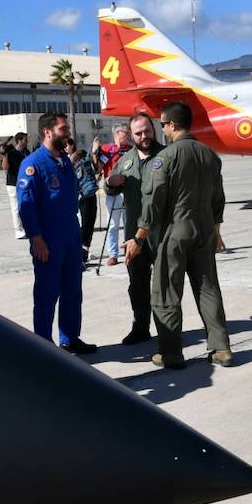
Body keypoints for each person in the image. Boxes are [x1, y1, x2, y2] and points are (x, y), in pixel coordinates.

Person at [124, 102, 232, 369]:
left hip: (175, 232)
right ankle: (221, 348)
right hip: (205, 230)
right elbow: (218, 197)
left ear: (172, 125)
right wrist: (216, 231)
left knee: (165, 291)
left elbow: (154, 200)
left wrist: (139, 237)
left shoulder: (167, 157)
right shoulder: (210, 155)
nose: (162, 129)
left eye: (162, 124)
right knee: (208, 288)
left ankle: (171, 353)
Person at [18, 113, 96, 354]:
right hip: (48, 237)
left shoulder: (64, 161)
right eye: (63, 129)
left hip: (70, 233)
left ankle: (70, 337)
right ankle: (43, 345)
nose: (68, 132)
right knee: (47, 291)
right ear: (47, 132)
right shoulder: (34, 164)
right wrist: (36, 237)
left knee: (73, 288)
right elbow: (26, 204)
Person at [107, 114, 167, 345]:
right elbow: (112, 186)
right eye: (138, 133)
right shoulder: (126, 160)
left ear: (154, 130)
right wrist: (110, 183)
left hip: (161, 234)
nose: (144, 136)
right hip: (133, 235)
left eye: (147, 131)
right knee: (137, 285)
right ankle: (140, 327)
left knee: (163, 286)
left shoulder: (167, 155)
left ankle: (167, 331)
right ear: (131, 135)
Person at [92, 123, 132, 265]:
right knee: (113, 223)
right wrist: (94, 153)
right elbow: (99, 168)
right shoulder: (107, 149)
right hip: (113, 189)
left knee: (129, 222)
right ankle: (113, 253)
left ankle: (129, 248)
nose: (127, 135)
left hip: (128, 190)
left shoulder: (131, 149)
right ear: (117, 133)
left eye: (128, 132)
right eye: (125, 132)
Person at [67, 138, 99, 267]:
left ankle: (84, 252)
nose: (65, 148)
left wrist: (94, 153)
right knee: (84, 225)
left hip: (87, 195)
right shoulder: (68, 162)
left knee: (88, 224)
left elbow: (94, 168)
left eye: (67, 145)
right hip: (80, 197)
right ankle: (79, 252)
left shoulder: (80, 160)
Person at [1, 133, 29, 238]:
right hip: (13, 184)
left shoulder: (26, 152)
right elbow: (5, 167)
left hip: (24, 184)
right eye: (25, 140)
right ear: (20, 140)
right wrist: (5, 154)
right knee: (16, 208)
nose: (27, 142)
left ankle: (25, 228)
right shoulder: (11, 153)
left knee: (25, 206)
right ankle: (18, 231)